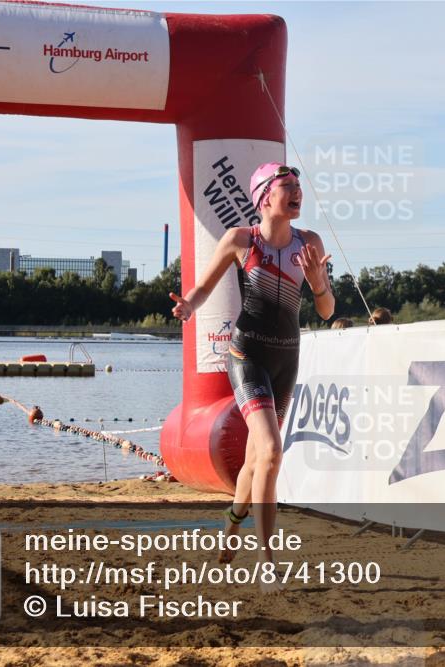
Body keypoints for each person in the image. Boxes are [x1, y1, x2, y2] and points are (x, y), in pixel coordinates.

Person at [170, 163, 335, 570]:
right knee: (273, 451)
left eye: (299, 187)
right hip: (248, 356)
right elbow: (204, 286)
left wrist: (318, 284)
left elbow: (328, 311)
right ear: (264, 197)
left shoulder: (309, 242)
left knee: (254, 461)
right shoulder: (241, 240)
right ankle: (267, 559)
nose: (298, 193)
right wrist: (188, 305)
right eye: (287, 187)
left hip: (285, 359)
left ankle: (228, 534)